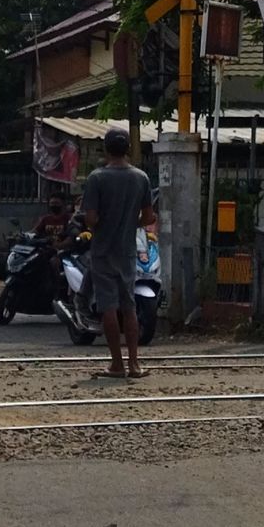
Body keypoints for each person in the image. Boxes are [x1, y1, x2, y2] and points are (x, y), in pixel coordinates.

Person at [82, 128, 155, 379]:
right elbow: (148, 217)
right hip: (128, 252)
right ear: (127, 150)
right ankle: (134, 364)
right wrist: (127, 223)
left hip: (103, 252)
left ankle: (116, 364)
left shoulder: (96, 178)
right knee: (129, 306)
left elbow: (90, 219)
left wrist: (104, 222)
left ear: (106, 149)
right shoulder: (141, 178)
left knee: (108, 308)